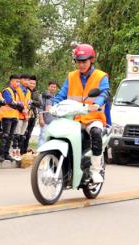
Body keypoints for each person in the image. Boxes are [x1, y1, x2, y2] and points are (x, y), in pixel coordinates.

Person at [53, 44, 110, 184]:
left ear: (92, 60)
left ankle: (95, 171)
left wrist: (97, 104)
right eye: (79, 61)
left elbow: (104, 92)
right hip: (73, 118)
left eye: (84, 61)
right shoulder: (71, 76)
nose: (81, 64)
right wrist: (53, 105)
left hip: (93, 118)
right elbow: (61, 94)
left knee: (96, 133)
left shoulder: (101, 76)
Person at [0, 74, 23, 162]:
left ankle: (6, 154)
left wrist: (17, 104)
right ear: (11, 81)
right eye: (17, 82)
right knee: (5, 136)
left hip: (14, 117)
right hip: (7, 116)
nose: (18, 84)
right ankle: (1, 154)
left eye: (19, 82)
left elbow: (20, 105)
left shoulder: (16, 92)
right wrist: (18, 104)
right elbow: (9, 102)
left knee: (10, 137)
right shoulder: (7, 91)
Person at [13, 74, 31, 160]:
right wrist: (23, 110)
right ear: (20, 80)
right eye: (25, 80)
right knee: (16, 135)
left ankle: (19, 152)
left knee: (22, 135)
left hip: (25, 116)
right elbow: (16, 103)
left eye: (28, 80)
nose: (27, 82)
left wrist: (28, 112)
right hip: (18, 115)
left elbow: (28, 104)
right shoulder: (17, 90)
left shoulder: (28, 92)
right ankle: (14, 151)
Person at [21, 75, 42, 154]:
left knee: (29, 135)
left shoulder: (36, 92)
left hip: (33, 115)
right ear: (28, 83)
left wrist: (32, 102)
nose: (32, 85)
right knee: (23, 134)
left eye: (34, 84)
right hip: (26, 115)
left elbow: (39, 103)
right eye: (31, 83)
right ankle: (21, 151)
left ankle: (25, 151)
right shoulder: (24, 91)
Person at [38, 81, 58, 147]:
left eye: (54, 87)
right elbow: (40, 108)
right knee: (43, 137)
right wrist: (41, 119)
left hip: (54, 121)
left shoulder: (56, 97)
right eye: (51, 86)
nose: (53, 88)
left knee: (51, 138)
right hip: (45, 121)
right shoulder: (43, 96)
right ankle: (40, 154)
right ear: (48, 87)